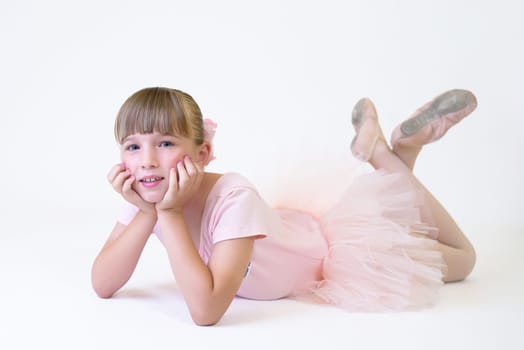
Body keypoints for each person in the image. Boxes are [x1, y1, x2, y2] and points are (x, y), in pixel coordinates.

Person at [91, 87, 477, 326]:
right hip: (298, 230)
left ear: (204, 152)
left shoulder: (233, 196)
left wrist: (169, 215)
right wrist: (147, 214)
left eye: (165, 144)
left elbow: (206, 311)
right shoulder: (148, 195)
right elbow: (103, 283)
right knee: (393, 212)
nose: (147, 161)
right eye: (132, 146)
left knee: (464, 258)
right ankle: (393, 154)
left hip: (335, 253)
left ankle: (388, 154)